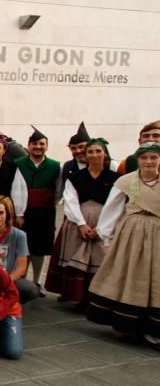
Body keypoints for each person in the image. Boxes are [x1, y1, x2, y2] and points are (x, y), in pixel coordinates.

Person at [87, 142, 160, 345]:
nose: (148, 161)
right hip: (132, 235)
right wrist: (107, 239)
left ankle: (152, 327)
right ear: (138, 160)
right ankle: (127, 325)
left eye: (153, 157)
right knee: (130, 277)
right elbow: (111, 210)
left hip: (158, 236)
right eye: (144, 158)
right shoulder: (126, 181)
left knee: (155, 281)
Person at [47, 138, 118, 306]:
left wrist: (102, 229)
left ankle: (97, 298)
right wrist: (81, 224)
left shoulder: (115, 178)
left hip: (104, 223)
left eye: (98, 151)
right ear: (86, 156)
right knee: (77, 259)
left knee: (99, 260)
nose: (94, 155)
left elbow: (116, 205)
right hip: (79, 224)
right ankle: (77, 296)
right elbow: (70, 201)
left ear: (105, 154)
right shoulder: (76, 177)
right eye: (90, 152)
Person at [16, 126, 60, 295]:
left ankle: (37, 281)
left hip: (45, 213)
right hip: (25, 212)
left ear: (46, 146)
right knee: (24, 247)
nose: (38, 147)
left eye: (41, 144)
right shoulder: (18, 164)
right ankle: (23, 279)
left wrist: (49, 203)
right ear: (29, 145)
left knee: (40, 249)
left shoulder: (55, 166)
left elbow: (58, 190)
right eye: (34, 144)